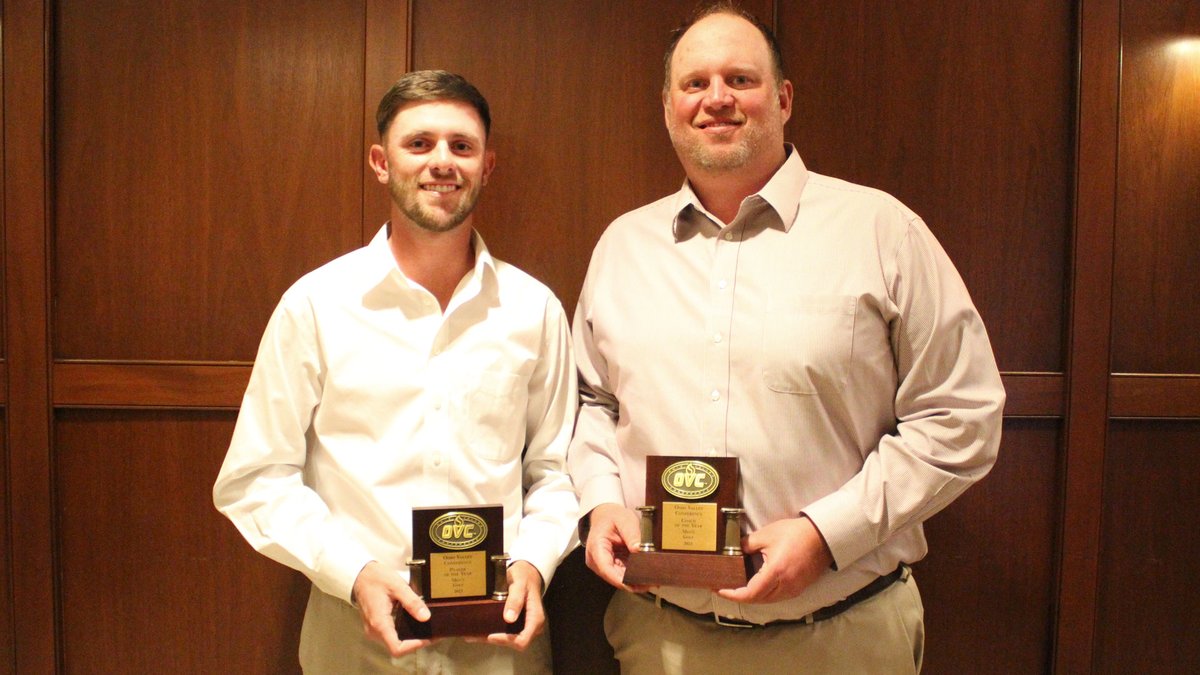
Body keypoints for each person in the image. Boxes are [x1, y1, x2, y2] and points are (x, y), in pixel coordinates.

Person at [567, 3, 1005, 673]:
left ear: (784, 97)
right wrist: (600, 501)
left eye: (740, 79)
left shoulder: (882, 230)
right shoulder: (624, 246)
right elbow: (592, 403)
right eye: (695, 83)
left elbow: (962, 415)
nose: (717, 98)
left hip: (844, 637)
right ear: (667, 106)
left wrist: (828, 535)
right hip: (663, 639)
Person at [213, 70, 578, 674]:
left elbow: (554, 472)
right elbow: (256, 478)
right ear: (382, 162)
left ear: (488, 166)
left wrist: (534, 564)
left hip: (499, 647)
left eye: (462, 146)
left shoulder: (534, 308)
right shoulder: (316, 304)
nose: (442, 162)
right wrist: (353, 575)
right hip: (354, 643)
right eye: (420, 144)